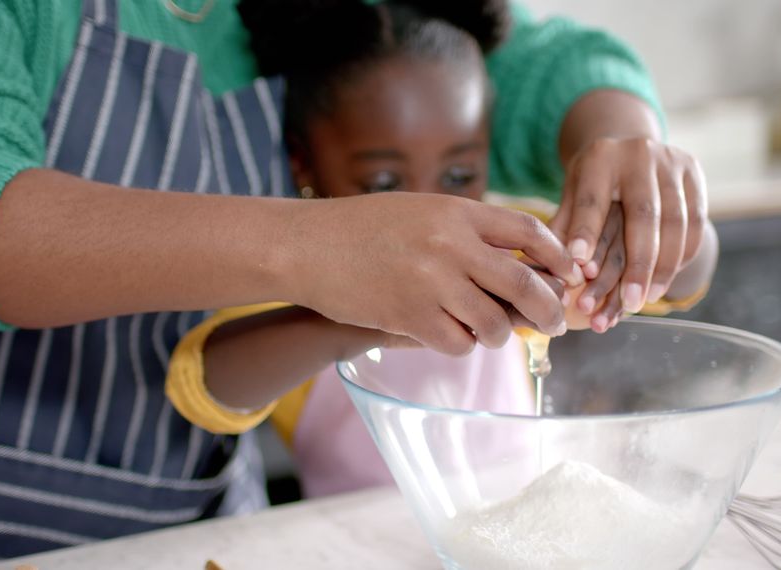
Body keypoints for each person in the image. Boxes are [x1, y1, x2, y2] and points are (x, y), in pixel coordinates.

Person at [0, 0, 708, 567]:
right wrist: (317, 259)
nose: (426, 191)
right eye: (379, 182)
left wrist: (629, 144)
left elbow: (513, 59)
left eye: (458, 173)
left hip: (201, 536)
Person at [166, 0, 719, 498]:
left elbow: (687, 277)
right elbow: (207, 385)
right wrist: (356, 318)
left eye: (459, 174)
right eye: (384, 183)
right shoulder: (290, 285)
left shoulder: (518, 251)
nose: (432, 214)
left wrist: (655, 227)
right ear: (303, 165)